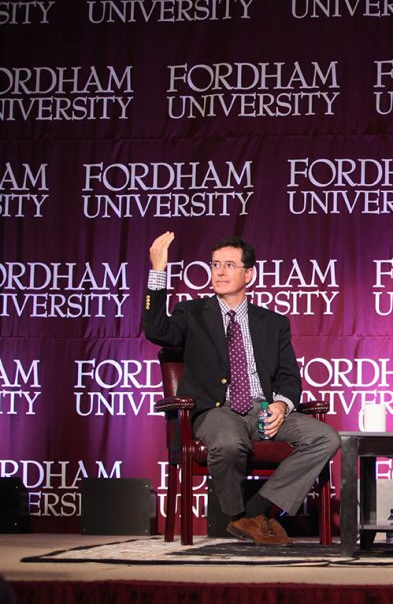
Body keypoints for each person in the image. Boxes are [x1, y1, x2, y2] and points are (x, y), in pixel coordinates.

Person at [143, 232, 341, 546]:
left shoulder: (273, 323)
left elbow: (290, 377)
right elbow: (156, 330)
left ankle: (255, 512)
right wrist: (158, 271)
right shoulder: (191, 313)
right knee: (229, 443)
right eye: (215, 265)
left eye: (229, 265)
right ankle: (237, 517)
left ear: (248, 274)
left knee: (326, 437)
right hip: (216, 410)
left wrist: (282, 405)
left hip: (262, 408)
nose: (219, 272)